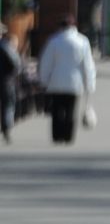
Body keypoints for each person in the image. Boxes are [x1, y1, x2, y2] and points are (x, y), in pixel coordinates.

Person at [37, 13, 96, 143]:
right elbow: (88, 65)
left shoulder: (54, 41)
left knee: (56, 110)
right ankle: (68, 136)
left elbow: (46, 62)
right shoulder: (82, 41)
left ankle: (57, 135)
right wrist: (90, 83)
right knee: (70, 110)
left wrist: (43, 80)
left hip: (56, 82)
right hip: (75, 83)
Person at [0, 21, 19, 143]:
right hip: (5, 80)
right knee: (8, 104)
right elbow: (16, 64)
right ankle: (6, 129)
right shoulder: (5, 46)